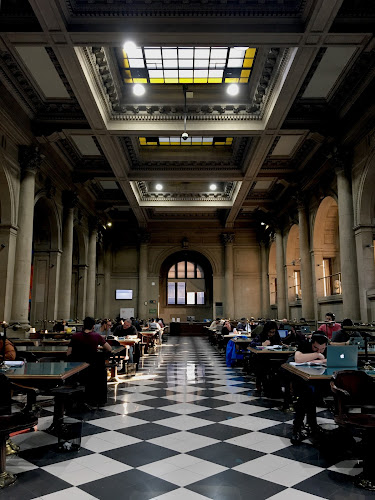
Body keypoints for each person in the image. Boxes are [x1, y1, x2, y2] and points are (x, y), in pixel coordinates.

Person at [290, 333, 328, 445]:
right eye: (316, 347)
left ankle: (310, 425)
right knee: (306, 395)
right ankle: (299, 427)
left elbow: (335, 358)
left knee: (310, 396)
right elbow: (298, 358)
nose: (320, 350)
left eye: (322, 348)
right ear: (311, 344)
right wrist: (316, 355)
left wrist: (321, 361)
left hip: (320, 380)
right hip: (302, 379)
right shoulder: (304, 345)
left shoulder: (327, 348)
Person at [67, 316, 112, 407]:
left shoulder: (75, 336)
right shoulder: (96, 336)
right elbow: (109, 348)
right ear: (93, 326)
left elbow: (68, 353)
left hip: (77, 367)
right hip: (92, 367)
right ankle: (98, 399)